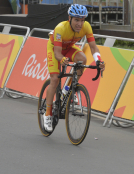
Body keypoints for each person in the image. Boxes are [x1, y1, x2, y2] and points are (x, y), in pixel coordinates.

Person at [43, 4, 105, 132]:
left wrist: (99, 60)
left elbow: (93, 47)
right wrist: (62, 59)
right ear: (69, 18)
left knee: (82, 59)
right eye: (77, 20)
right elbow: (58, 53)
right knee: (54, 80)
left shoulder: (86, 27)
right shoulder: (61, 28)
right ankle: (48, 113)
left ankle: (69, 88)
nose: (80, 24)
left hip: (69, 49)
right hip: (55, 49)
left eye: (82, 20)